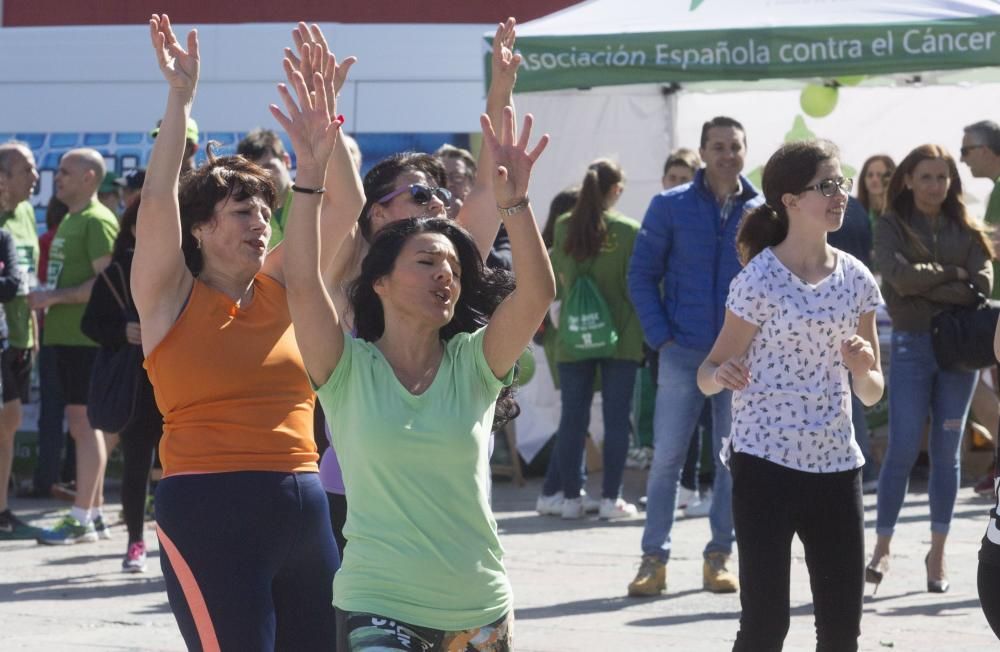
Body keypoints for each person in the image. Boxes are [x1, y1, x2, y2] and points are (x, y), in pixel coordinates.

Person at [278, 19, 553, 636]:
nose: (439, 205)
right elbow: (337, 208)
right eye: (421, 193)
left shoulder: (450, 268)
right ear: (381, 213)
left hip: (453, 492)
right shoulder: (352, 267)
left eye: (441, 195)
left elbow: (491, 189)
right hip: (359, 491)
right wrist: (321, 138)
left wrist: (500, 89)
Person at [134, 15, 353, 648]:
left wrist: (326, 132)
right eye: (242, 211)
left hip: (305, 504)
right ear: (200, 227)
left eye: (265, 210)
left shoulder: (284, 286)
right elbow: (156, 205)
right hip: (209, 509)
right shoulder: (169, 296)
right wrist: (180, 99)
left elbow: (347, 210)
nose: (262, 222)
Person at [698, 140, 883, 651]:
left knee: (842, 630)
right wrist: (724, 374)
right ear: (790, 200)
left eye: (841, 183)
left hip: (837, 466)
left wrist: (863, 369)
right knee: (765, 627)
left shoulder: (858, 281)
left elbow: (871, 393)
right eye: (826, 185)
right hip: (765, 466)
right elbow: (707, 371)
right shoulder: (757, 279)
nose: (840, 194)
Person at [626, 116, 762, 597]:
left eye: (735, 146)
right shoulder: (669, 205)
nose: (727, 154)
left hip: (741, 358)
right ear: (703, 152)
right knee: (666, 460)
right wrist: (661, 337)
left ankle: (719, 557)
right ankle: (653, 560)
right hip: (682, 351)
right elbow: (641, 275)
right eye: (718, 146)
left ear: (746, 151)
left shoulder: (762, 209)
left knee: (732, 460)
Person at [868, 144, 994, 594]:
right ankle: (882, 547)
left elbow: (981, 283)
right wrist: (952, 275)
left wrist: (939, 280)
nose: (935, 186)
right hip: (912, 346)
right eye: (926, 177)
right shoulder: (891, 224)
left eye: (942, 177)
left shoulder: (967, 226)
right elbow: (897, 280)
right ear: (908, 180)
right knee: (901, 448)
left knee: (947, 450)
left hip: (958, 352)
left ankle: (937, 552)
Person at [535, 159, 642, 520]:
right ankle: (612, 499)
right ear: (615, 191)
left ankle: (570, 499)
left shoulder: (564, 227)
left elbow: (558, 279)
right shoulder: (628, 231)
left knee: (573, 418)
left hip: (574, 335)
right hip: (622, 335)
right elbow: (636, 286)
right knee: (615, 418)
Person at [30, 148, 119, 545]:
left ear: (89, 177)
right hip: (64, 340)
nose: (58, 177)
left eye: (65, 171)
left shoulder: (98, 220)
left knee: (85, 427)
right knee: (83, 427)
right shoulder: (71, 218)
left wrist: (53, 298)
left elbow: (107, 285)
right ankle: (93, 513)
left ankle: (82, 516)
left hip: (84, 341)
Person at [80, 197, 163, 572]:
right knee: (137, 465)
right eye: (143, 224)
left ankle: (177, 542)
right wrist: (121, 331)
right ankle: (135, 542)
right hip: (136, 385)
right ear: (131, 229)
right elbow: (90, 324)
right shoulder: (115, 274)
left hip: (179, 380)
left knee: (179, 468)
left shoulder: (182, 268)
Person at [660, 147, 713, 517]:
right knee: (674, 434)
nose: (676, 184)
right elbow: (643, 276)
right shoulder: (660, 214)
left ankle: (697, 488)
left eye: (684, 178)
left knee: (712, 426)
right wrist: (659, 334)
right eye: (672, 177)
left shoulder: (703, 214)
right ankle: (683, 488)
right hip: (672, 340)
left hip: (713, 343)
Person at [0, 142, 42, 538]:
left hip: (18, 335)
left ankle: (3, 510)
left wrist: (32, 332)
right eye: (26, 169)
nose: (36, 177)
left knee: (9, 423)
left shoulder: (28, 213)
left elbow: (23, 280)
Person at [828, 193, 879, 493]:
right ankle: (866, 468)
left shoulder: (848, 210)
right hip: (848, 314)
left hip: (836, 316)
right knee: (854, 387)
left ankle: (865, 468)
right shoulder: (857, 206)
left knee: (854, 387)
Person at [32, 196, 70, 499]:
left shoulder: (47, 239)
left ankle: (47, 480)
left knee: (53, 413)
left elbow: (41, 280)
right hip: (78, 334)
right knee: (82, 417)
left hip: (52, 332)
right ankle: (70, 477)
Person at [237, 128, 295, 249]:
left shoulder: (315, 199)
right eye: (255, 171)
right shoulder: (243, 214)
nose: (264, 176)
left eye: (269, 166)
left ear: (286, 161)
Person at [857, 154, 896, 222]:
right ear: (864, 180)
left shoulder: (902, 213)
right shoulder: (854, 211)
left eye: (880, 175)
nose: (874, 180)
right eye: (870, 175)